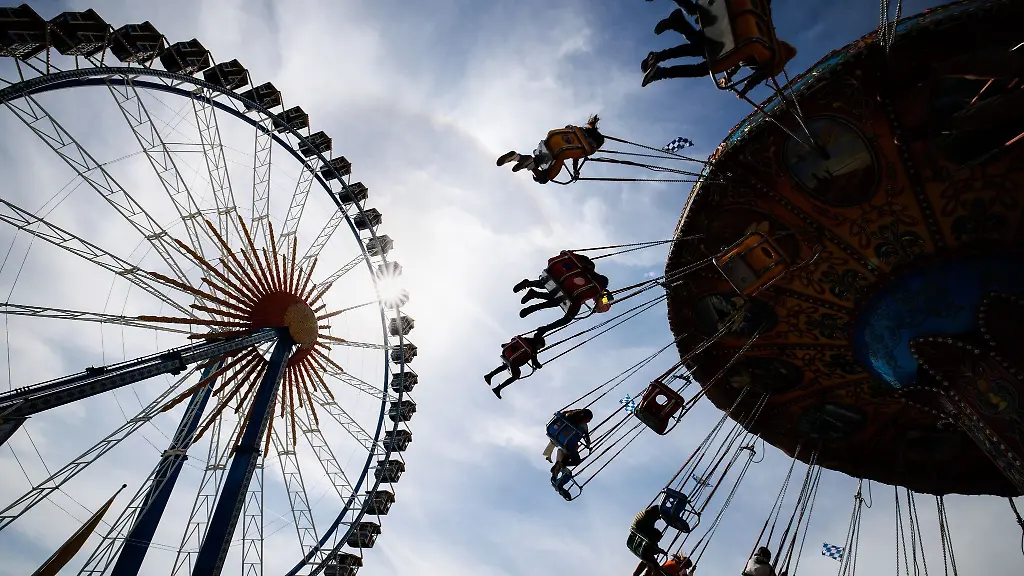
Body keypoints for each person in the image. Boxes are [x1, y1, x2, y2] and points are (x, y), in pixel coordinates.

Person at [496, 115, 605, 183]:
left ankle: (517, 157)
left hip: (550, 142)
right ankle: (531, 166)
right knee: (544, 177)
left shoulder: (579, 130)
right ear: (596, 143)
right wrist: (575, 171)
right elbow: (576, 157)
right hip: (558, 154)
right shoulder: (588, 148)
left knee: (538, 160)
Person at [641, 1, 724, 87]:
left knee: (701, 47)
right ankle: (660, 65)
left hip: (723, 41)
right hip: (726, 37)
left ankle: (679, 25)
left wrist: (729, 76)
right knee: (703, 56)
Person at [483, 334, 545, 399]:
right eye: (540, 347)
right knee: (516, 375)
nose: (539, 349)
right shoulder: (533, 350)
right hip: (514, 359)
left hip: (507, 353)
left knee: (507, 364)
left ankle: (489, 375)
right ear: (538, 344)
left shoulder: (525, 339)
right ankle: (498, 388)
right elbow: (535, 362)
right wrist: (539, 366)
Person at [544, 408, 594, 479]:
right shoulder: (583, 426)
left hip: (555, 435)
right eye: (589, 420)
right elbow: (587, 439)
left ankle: (559, 466)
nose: (588, 422)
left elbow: (560, 414)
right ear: (585, 418)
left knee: (568, 453)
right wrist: (588, 445)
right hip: (567, 443)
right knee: (576, 461)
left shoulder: (569, 414)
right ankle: (561, 465)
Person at [630, 505, 667, 576]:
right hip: (642, 545)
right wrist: (658, 549)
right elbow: (651, 542)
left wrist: (658, 549)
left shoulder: (646, 518)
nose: (658, 519)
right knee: (653, 565)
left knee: (654, 564)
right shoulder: (647, 521)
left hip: (641, 542)